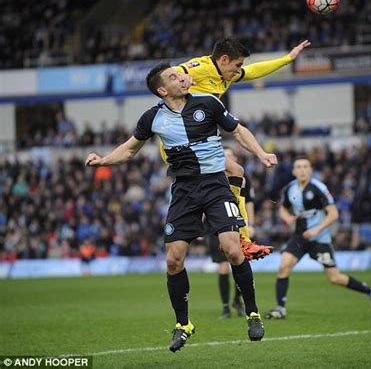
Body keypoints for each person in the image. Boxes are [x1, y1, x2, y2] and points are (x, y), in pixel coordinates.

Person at [85, 63, 278, 352]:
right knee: (174, 260)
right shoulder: (153, 117)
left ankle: (252, 313)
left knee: (232, 248)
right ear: (162, 89)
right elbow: (128, 149)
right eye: (174, 76)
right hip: (184, 191)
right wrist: (102, 160)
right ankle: (183, 324)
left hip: (215, 186)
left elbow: (238, 132)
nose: (182, 77)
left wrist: (261, 153)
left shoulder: (208, 103)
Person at [165, 37, 311, 261]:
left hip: (200, 144)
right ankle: (227, 233)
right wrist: (178, 76)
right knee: (225, 178)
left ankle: (237, 237)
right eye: (237, 65)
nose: (239, 71)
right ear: (224, 60)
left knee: (237, 173)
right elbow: (172, 72)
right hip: (180, 146)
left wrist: (287, 59)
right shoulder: (202, 68)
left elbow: (253, 71)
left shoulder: (224, 76)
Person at [265, 157, 371, 320]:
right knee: (283, 266)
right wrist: (287, 218)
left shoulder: (319, 188)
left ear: (311, 170)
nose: (302, 170)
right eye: (298, 167)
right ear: (293, 171)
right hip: (300, 237)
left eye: (305, 166)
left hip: (319, 238)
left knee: (335, 278)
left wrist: (316, 230)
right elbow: (283, 209)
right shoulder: (290, 189)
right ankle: (280, 309)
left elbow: (334, 214)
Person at [206, 147, 256, 319]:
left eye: (229, 156)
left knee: (238, 261)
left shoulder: (241, 177)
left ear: (234, 158)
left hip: (237, 224)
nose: (226, 159)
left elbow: (249, 201)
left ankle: (237, 300)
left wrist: (251, 223)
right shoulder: (210, 174)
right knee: (222, 267)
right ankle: (226, 307)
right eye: (223, 155)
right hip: (214, 225)